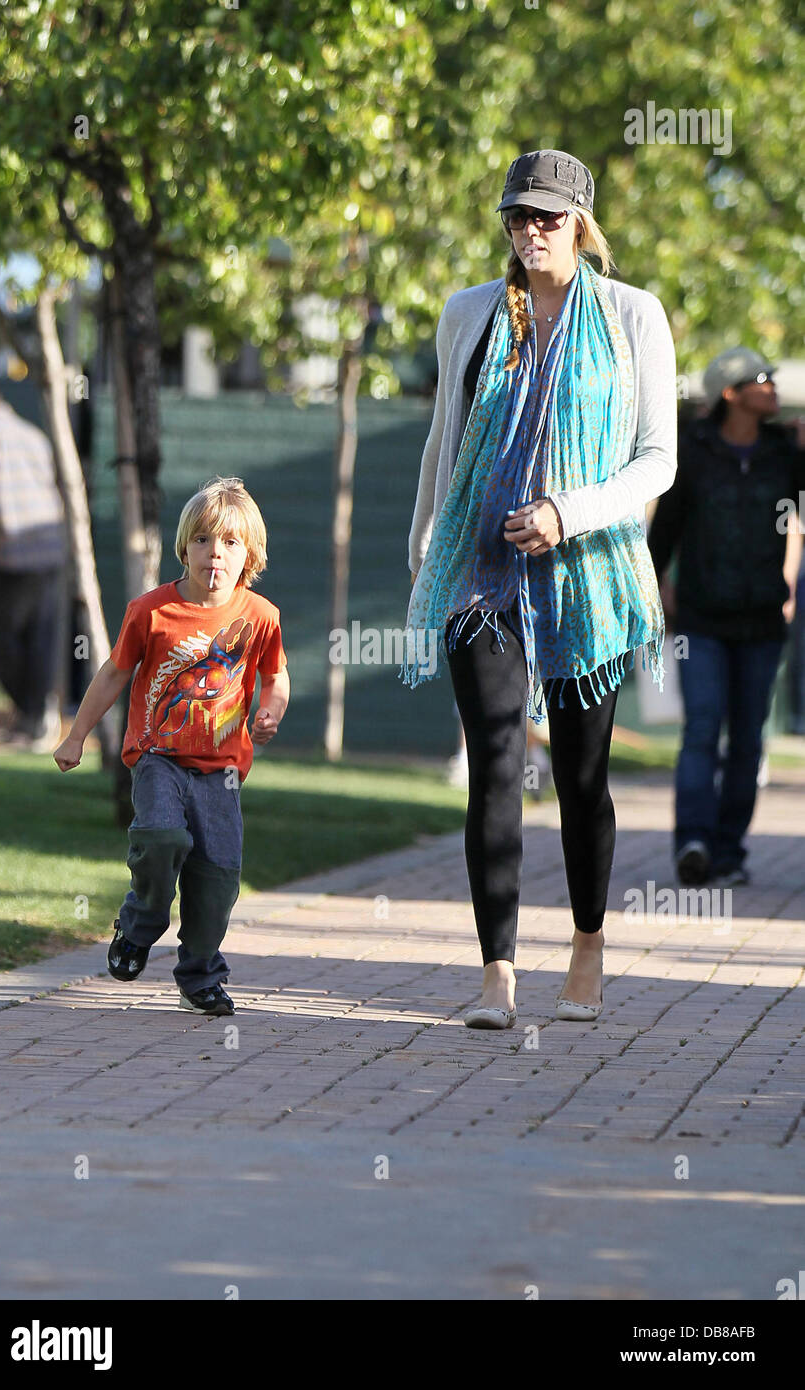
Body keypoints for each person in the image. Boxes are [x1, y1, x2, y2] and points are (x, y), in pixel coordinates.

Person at [403, 149, 677, 1027]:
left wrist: (571, 511)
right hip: (480, 571)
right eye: (518, 217)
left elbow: (658, 460)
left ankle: (588, 947)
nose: (530, 232)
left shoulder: (633, 316)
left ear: (581, 222)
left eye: (547, 218)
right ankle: (496, 973)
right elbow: (444, 438)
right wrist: (427, 547)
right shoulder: (472, 314)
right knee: (494, 760)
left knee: (580, 775)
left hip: (585, 574)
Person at [53, 476, 290, 1017]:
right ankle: (141, 924)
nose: (216, 553)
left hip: (223, 773)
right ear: (185, 547)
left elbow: (277, 677)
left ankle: (200, 976)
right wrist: (76, 734)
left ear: (249, 554)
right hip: (158, 758)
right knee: (159, 839)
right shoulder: (152, 610)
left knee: (218, 879)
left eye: (231, 543)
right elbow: (114, 674)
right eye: (205, 539)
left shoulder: (260, 617)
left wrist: (270, 709)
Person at [648, 350, 805, 888]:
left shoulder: (786, 452)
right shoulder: (691, 452)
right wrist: (658, 594)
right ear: (731, 394)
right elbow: (662, 535)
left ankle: (729, 852)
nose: (772, 384)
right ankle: (693, 842)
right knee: (701, 729)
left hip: (762, 622)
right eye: (760, 379)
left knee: (747, 741)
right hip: (701, 622)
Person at [0, 379, 67, 749]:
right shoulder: (31, 433)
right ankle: (36, 719)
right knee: (37, 640)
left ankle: (34, 715)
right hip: (49, 550)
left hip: (12, 556)